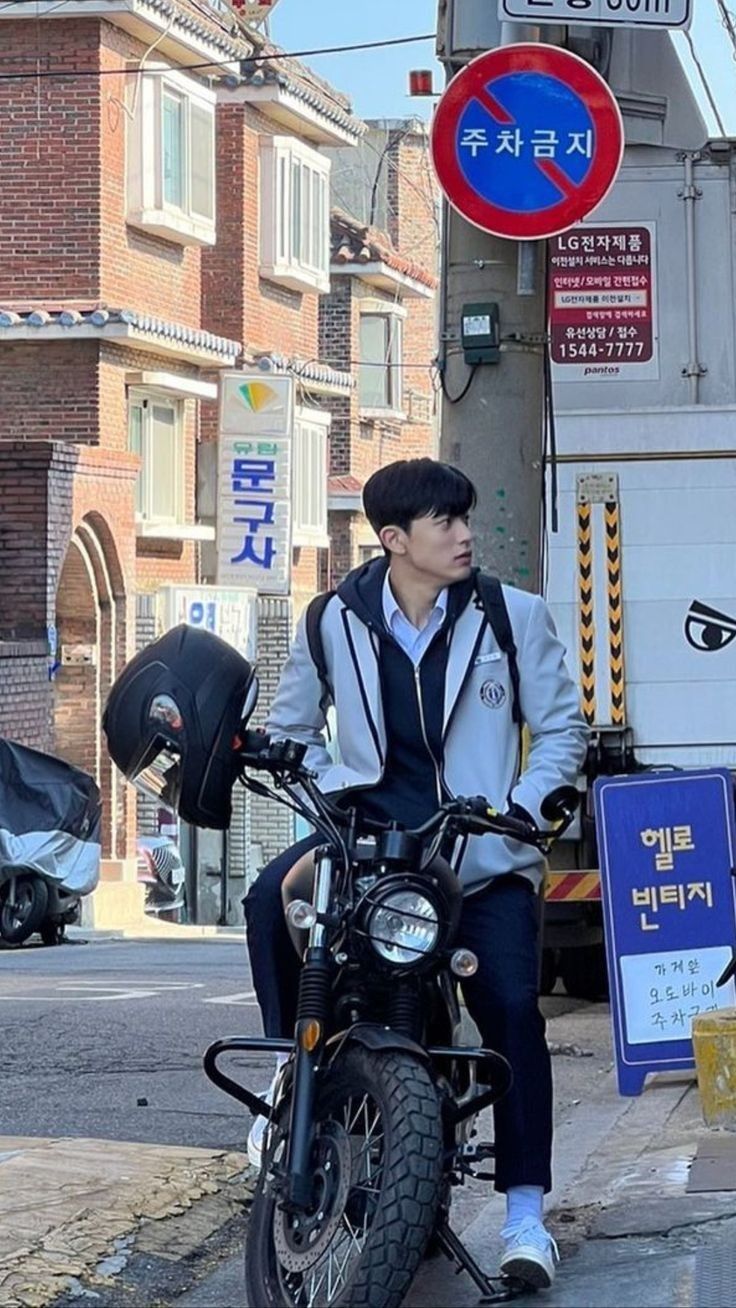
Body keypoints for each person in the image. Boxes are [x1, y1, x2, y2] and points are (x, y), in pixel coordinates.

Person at [244, 458, 588, 1290]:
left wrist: (522, 804)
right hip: (366, 845)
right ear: (395, 540)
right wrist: (326, 786)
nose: (465, 535)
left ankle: (525, 1214)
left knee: (511, 1005)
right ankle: (305, 1062)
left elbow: (563, 730)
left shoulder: (513, 616)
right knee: (269, 901)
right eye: (445, 522)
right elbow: (294, 731)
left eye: (465, 518)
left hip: (478, 853)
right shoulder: (333, 619)